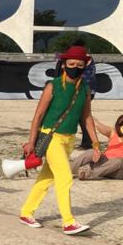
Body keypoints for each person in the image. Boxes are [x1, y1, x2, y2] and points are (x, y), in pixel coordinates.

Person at [19, 45, 100, 235]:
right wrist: (31, 141)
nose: (76, 67)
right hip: (51, 137)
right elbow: (38, 115)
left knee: (47, 178)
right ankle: (68, 222)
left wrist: (96, 144)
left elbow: (87, 117)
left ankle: (26, 212)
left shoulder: (85, 89)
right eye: (71, 63)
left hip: (69, 139)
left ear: (85, 66)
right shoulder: (52, 85)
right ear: (64, 64)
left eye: (80, 65)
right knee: (64, 177)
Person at [70, 115, 123, 180]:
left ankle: (88, 173)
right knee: (93, 151)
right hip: (104, 162)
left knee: (118, 161)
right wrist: (84, 111)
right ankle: (69, 170)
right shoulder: (113, 133)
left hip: (119, 169)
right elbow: (96, 124)